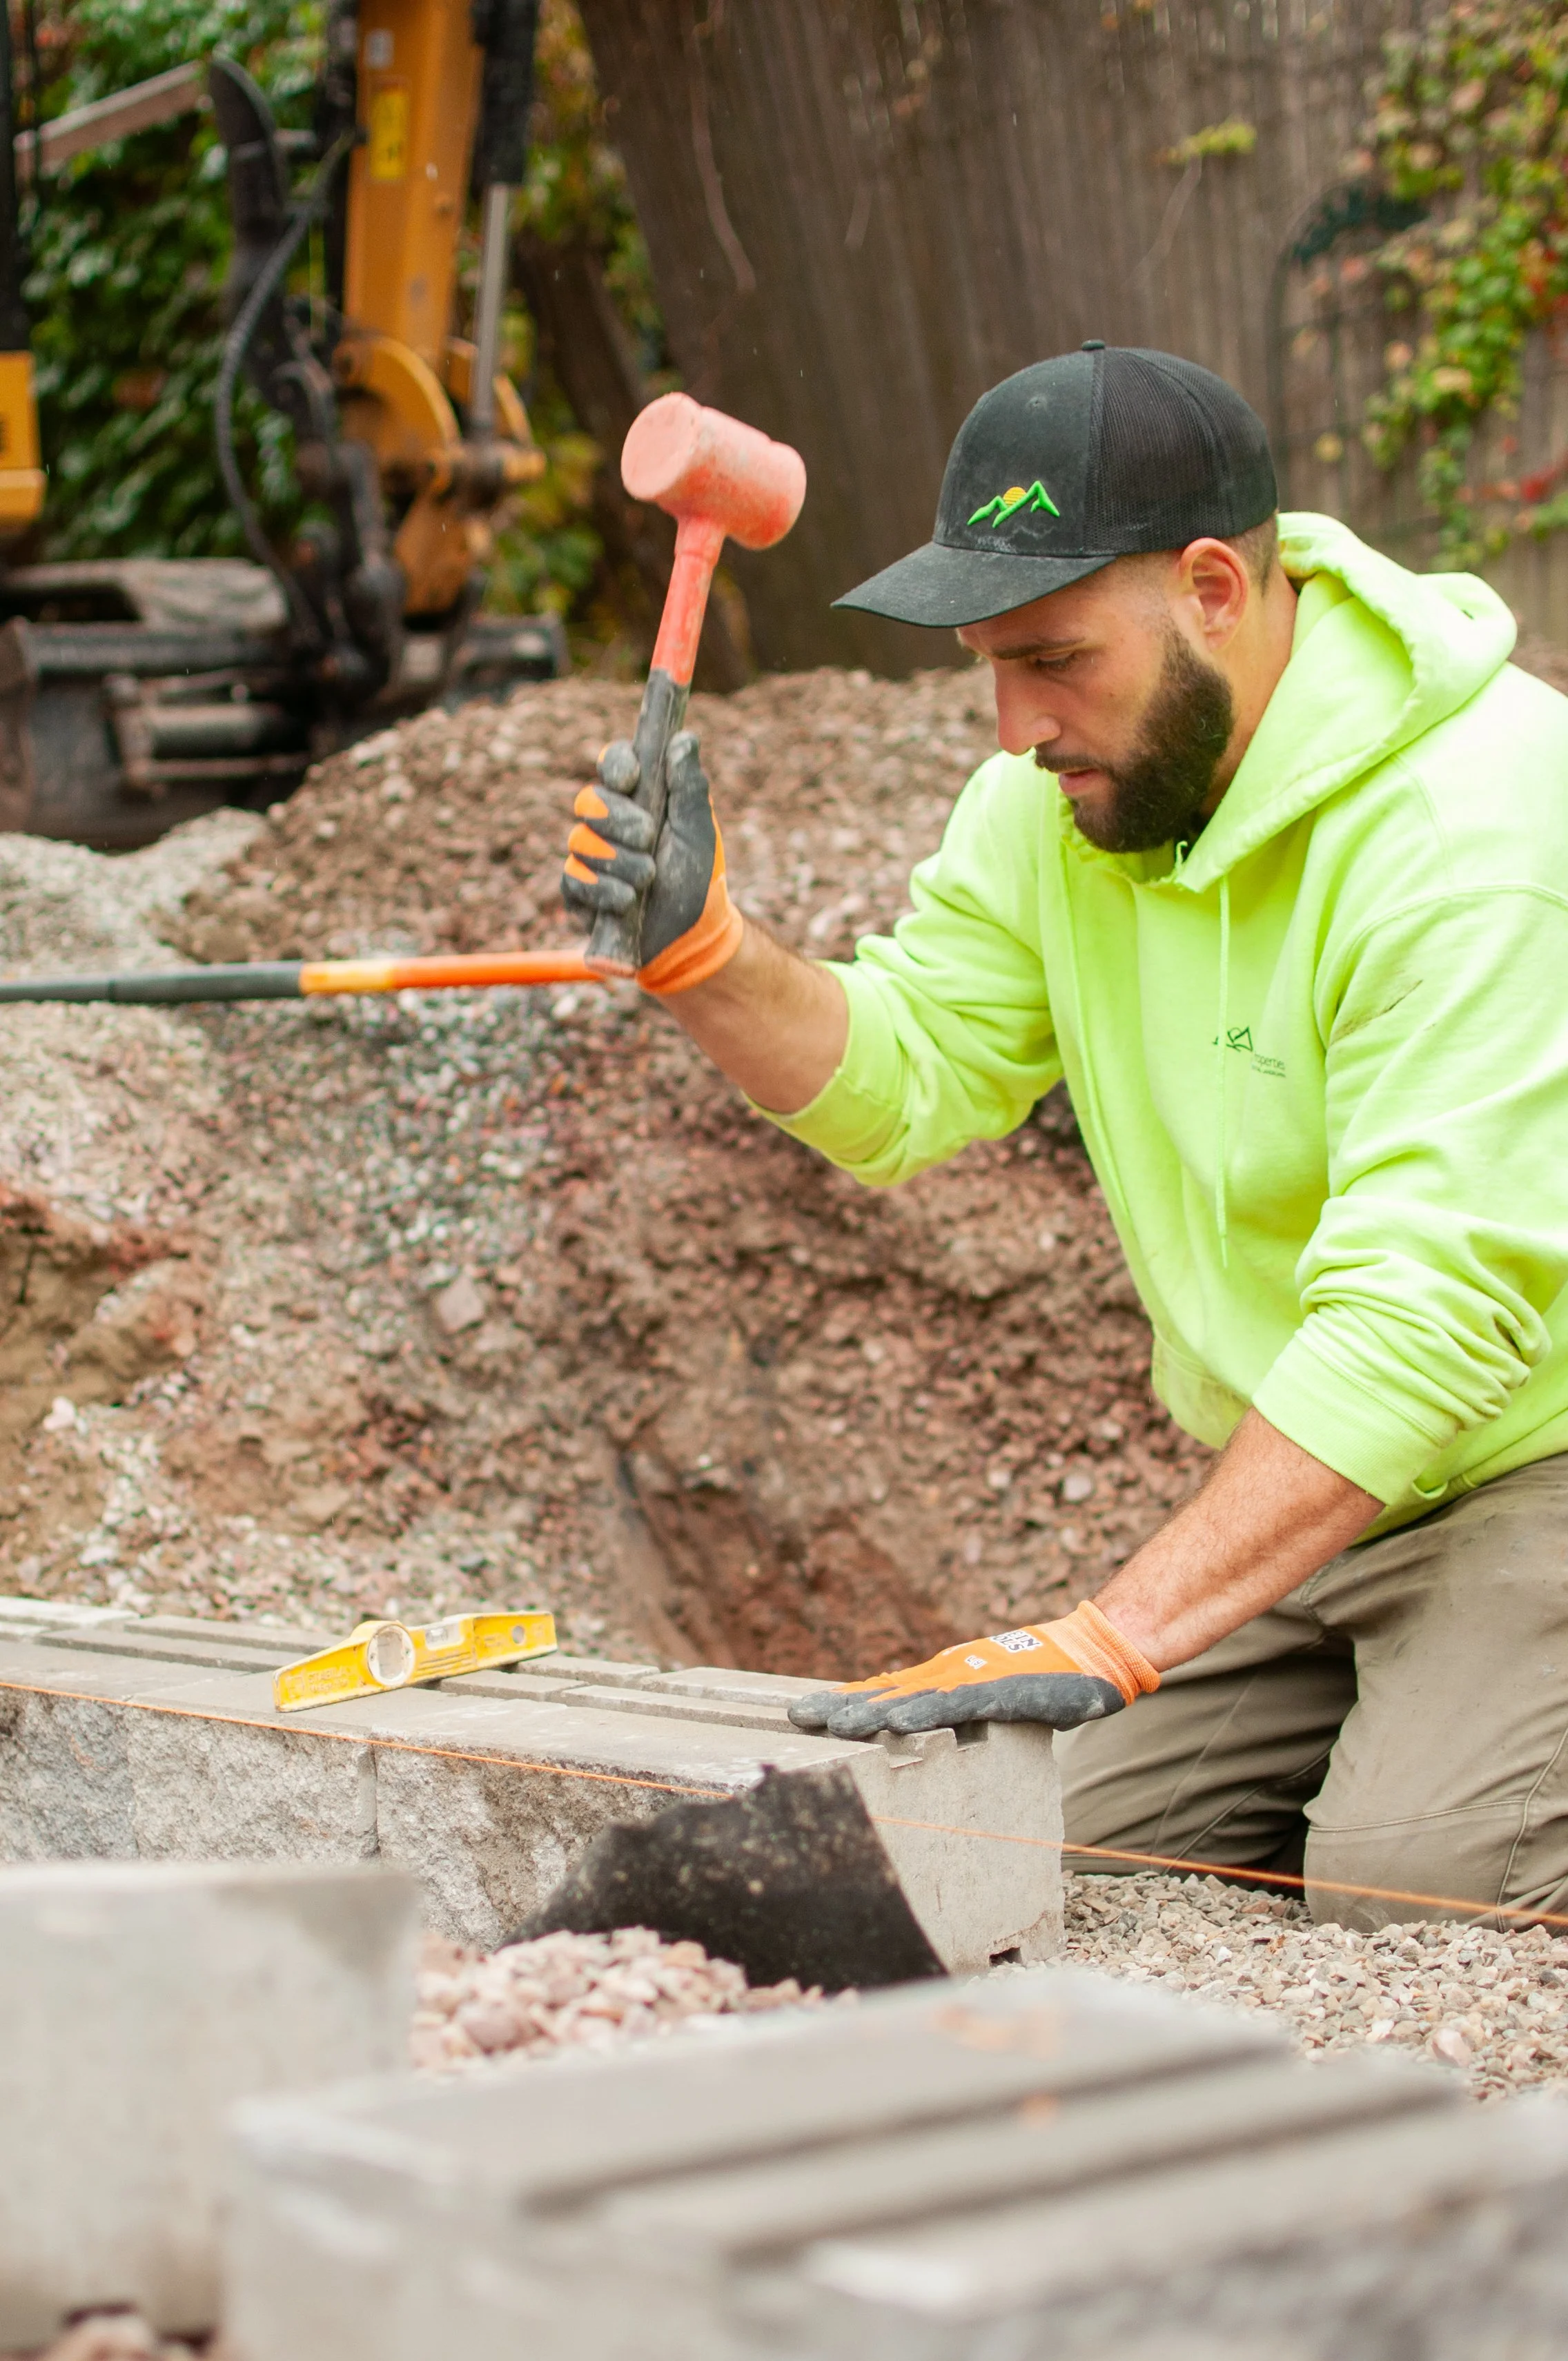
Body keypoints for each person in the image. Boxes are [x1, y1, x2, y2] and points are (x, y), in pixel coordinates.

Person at [560, 342, 1568, 1928]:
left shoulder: (1473, 829)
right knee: (1013, 1845)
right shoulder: (1066, 803)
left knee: (1419, 1881)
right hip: (1331, 1485)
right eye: (986, 663)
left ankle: (1418, 1776)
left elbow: (1426, 1318)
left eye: (1052, 659)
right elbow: (902, 1078)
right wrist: (703, 955)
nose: (1014, 721)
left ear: (1216, 589)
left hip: (1534, 1462)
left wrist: (1108, 1635)